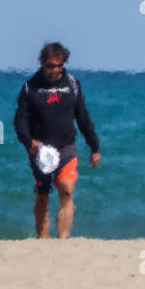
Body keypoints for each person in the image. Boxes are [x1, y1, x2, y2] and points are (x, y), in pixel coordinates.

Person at [13, 42, 101, 239]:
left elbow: (83, 117)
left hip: (66, 147)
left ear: (63, 64)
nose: (53, 70)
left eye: (57, 65)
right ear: (43, 64)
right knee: (42, 196)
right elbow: (20, 121)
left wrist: (94, 147)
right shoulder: (30, 87)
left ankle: (63, 238)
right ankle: (43, 237)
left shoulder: (72, 85)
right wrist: (29, 143)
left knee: (67, 190)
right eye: (49, 66)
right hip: (41, 152)